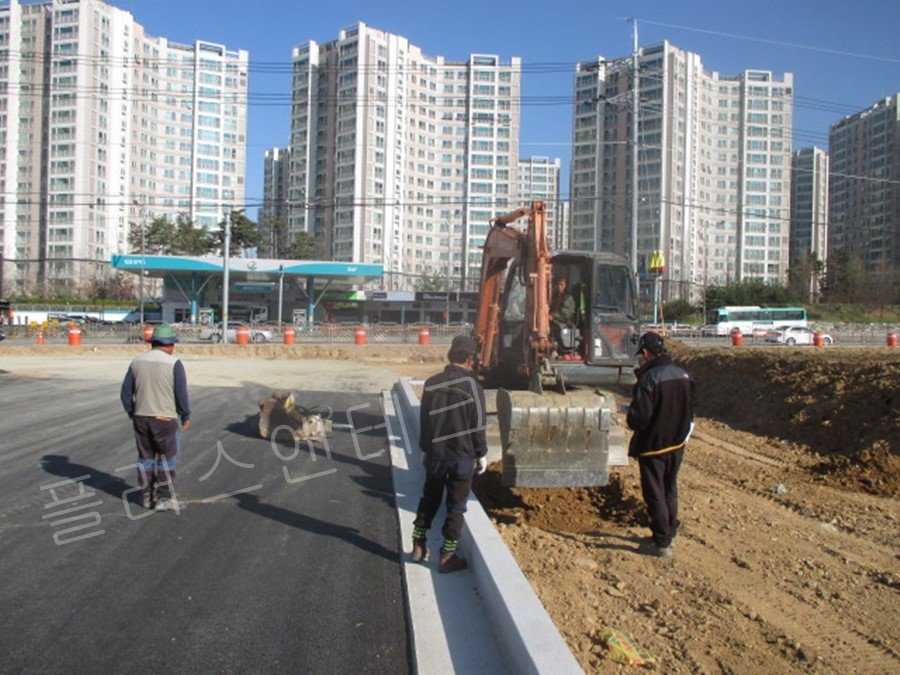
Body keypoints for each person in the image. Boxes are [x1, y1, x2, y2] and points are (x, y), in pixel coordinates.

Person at [412, 334, 488, 573]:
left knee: (429, 499)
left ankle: (418, 544)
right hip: (461, 458)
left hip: (435, 455)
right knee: (456, 507)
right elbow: (478, 425)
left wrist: (425, 449)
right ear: (470, 358)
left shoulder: (431, 383)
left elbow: (424, 421)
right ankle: (447, 555)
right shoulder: (473, 388)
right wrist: (481, 453)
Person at [626, 331, 694, 558]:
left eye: (642, 355)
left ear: (646, 352)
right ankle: (670, 532)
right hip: (677, 444)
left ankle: (661, 542)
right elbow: (691, 408)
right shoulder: (684, 375)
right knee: (669, 488)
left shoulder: (649, 379)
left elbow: (640, 419)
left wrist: (630, 415)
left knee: (654, 492)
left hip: (654, 445)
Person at [120, 324, 190, 511]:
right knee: (167, 459)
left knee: (146, 458)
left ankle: (145, 496)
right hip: (164, 419)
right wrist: (185, 414)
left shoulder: (136, 362)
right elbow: (181, 394)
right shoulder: (174, 363)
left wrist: (132, 412)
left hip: (141, 418)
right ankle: (163, 498)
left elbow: (126, 393)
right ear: (169, 345)